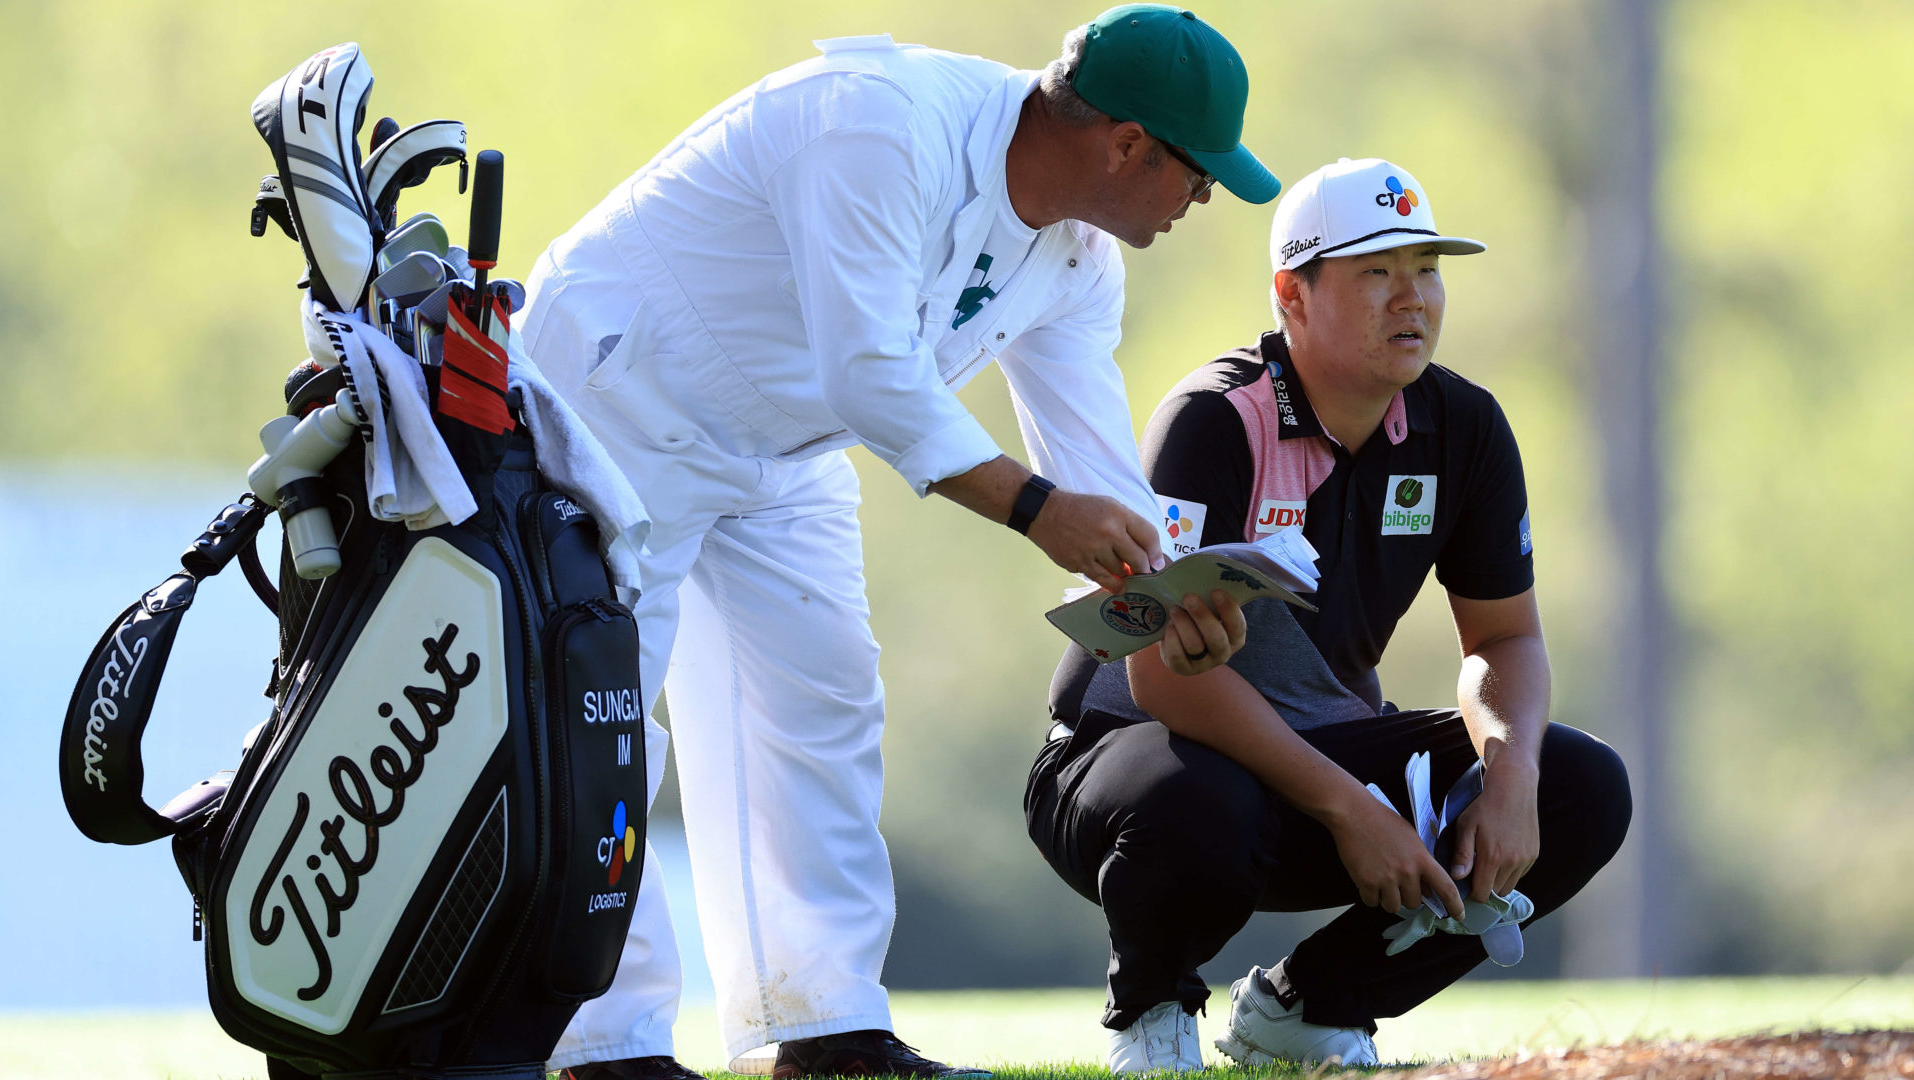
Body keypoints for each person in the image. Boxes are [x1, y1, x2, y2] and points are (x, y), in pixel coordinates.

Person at [518, 8, 1271, 1079]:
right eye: (1197, 174)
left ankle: (826, 1028)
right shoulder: (881, 127)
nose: (1201, 199)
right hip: (617, 390)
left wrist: (1169, 590)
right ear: (1126, 144)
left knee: (823, 702)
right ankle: (606, 1044)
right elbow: (870, 373)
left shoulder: (1079, 258)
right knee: (602, 720)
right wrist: (1037, 510)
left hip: (785, 445)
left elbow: (1094, 464)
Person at [1024, 157, 1633, 1072]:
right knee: (1202, 800)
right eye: (1376, 272)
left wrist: (1508, 780)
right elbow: (1161, 675)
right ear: (1292, 297)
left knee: (1577, 786)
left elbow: (1504, 638)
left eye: (1427, 270)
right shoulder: (1214, 420)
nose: (1412, 298)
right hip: (1128, 758)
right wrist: (1352, 808)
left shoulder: (1463, 427)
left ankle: (1305, 1010)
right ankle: (1151, 1014)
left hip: (1316, 748)